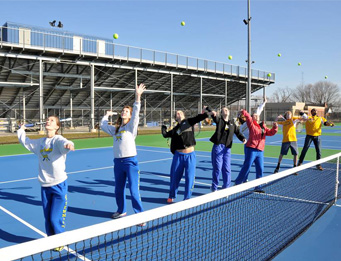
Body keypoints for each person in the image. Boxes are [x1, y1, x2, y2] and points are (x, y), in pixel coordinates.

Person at [17, 116, 74, 251]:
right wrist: (21, 130)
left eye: (52, 120)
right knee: (47, 219)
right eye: (47, 120)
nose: (48, 121)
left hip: (59, 185)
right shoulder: (40, 143)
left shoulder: (58, 140)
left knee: (55, 219)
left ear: (57, 127)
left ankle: (61, 240)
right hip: (45, 186)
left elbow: (65, 142)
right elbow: (25, 142)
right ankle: (51, 240)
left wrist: (69, 144)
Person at [101, 83, 146, 221]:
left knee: (133, 191)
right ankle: (121, 211)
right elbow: (103, 126)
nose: (123, 112)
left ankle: (140, 216)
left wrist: (137, 96)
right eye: (123, 110)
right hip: (118, 162)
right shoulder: (116, 129)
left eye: (126, 111)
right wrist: (106, 115)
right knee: (118, 190)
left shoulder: (131, 127)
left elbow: (137, 112)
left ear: (130, 115)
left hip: (130, 162)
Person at [161, 108, 212, 203]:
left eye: (180, 112)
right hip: (178, 156)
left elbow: (199, 117)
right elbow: (165, 135)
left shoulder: (189, 122)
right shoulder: (175, 129)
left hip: (190, 156)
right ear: (176, 118)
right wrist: (163, 127)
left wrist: (207, 111)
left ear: (183, 115)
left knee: (190, 177)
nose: (178, 113)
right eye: (176, 113)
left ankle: (187, 198)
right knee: (174, 177)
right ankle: (172, 196)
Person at [234, 109, 278, 193]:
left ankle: (258, 187)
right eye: (254, 115)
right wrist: (244, 112)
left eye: (257, 115)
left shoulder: (263, 126)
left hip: (260, 151)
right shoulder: (251, 124)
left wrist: (275, 127)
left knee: (260, 169)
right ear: (252, 117)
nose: (257, 116)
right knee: (246, 166)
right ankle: (237, 183)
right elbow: (248, 118)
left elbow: (271, 132)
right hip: (251, 149)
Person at [209, 107, 246, 191]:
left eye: (227, 110)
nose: (226, 111)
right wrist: (209, 109)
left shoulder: (232, 123)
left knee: (227, 168)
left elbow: (238, 132)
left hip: (227, 148)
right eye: (224, 110)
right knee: (217, 168)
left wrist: (243, 138)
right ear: (221, 113)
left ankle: (226, 188)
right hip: (218, 147)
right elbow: (214, 115)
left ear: (229, 113)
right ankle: (214, 188)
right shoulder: (219, 120)